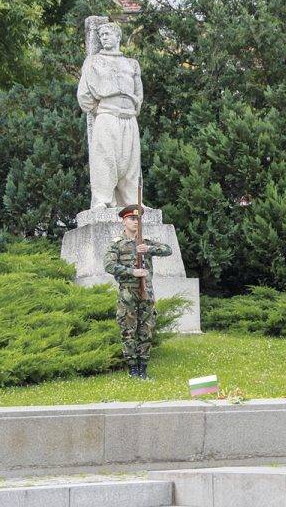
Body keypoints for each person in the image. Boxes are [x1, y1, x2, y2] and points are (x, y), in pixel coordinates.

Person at [77, 22, 144, 209]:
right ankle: (103, 200)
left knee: (131, 163)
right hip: (107, 115)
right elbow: (84, 94)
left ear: (118, 37)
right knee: (105, 159)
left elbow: (139, 94)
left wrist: (131, 107)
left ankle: (132, 202)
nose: (104, 38)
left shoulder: (131, 64)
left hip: (129, 118)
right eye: (101, 35)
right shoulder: (93, 61)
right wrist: (102, 109)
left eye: (107, 34)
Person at [104, 205, 172, 379]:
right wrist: (131, 272)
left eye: (138, 219)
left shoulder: (146, 242)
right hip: (127, 294)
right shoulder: (117, 244)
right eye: (132, 219)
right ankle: (133, 369)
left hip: (146, 293)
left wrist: (148, 249)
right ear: (124, 221)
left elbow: (168, 250)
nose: (136, 222)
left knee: (146, 330)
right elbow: (109, 265)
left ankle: (143, 368)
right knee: (128, 331)